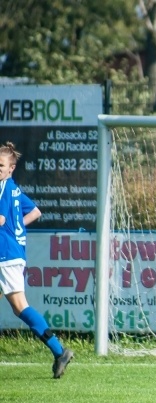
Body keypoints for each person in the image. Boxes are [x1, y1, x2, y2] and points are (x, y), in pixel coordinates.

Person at [0, 142, 73, 378]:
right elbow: (35, 212)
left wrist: (12, 228)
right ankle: (59, 351)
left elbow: (1, 220)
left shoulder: (3, 188)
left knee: (21, 307)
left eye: (1, 165)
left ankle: (59, 350)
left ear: (11, 168)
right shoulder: (14, 189)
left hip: (5, 254)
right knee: (20, 307)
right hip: (11, 253)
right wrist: (18, 228)